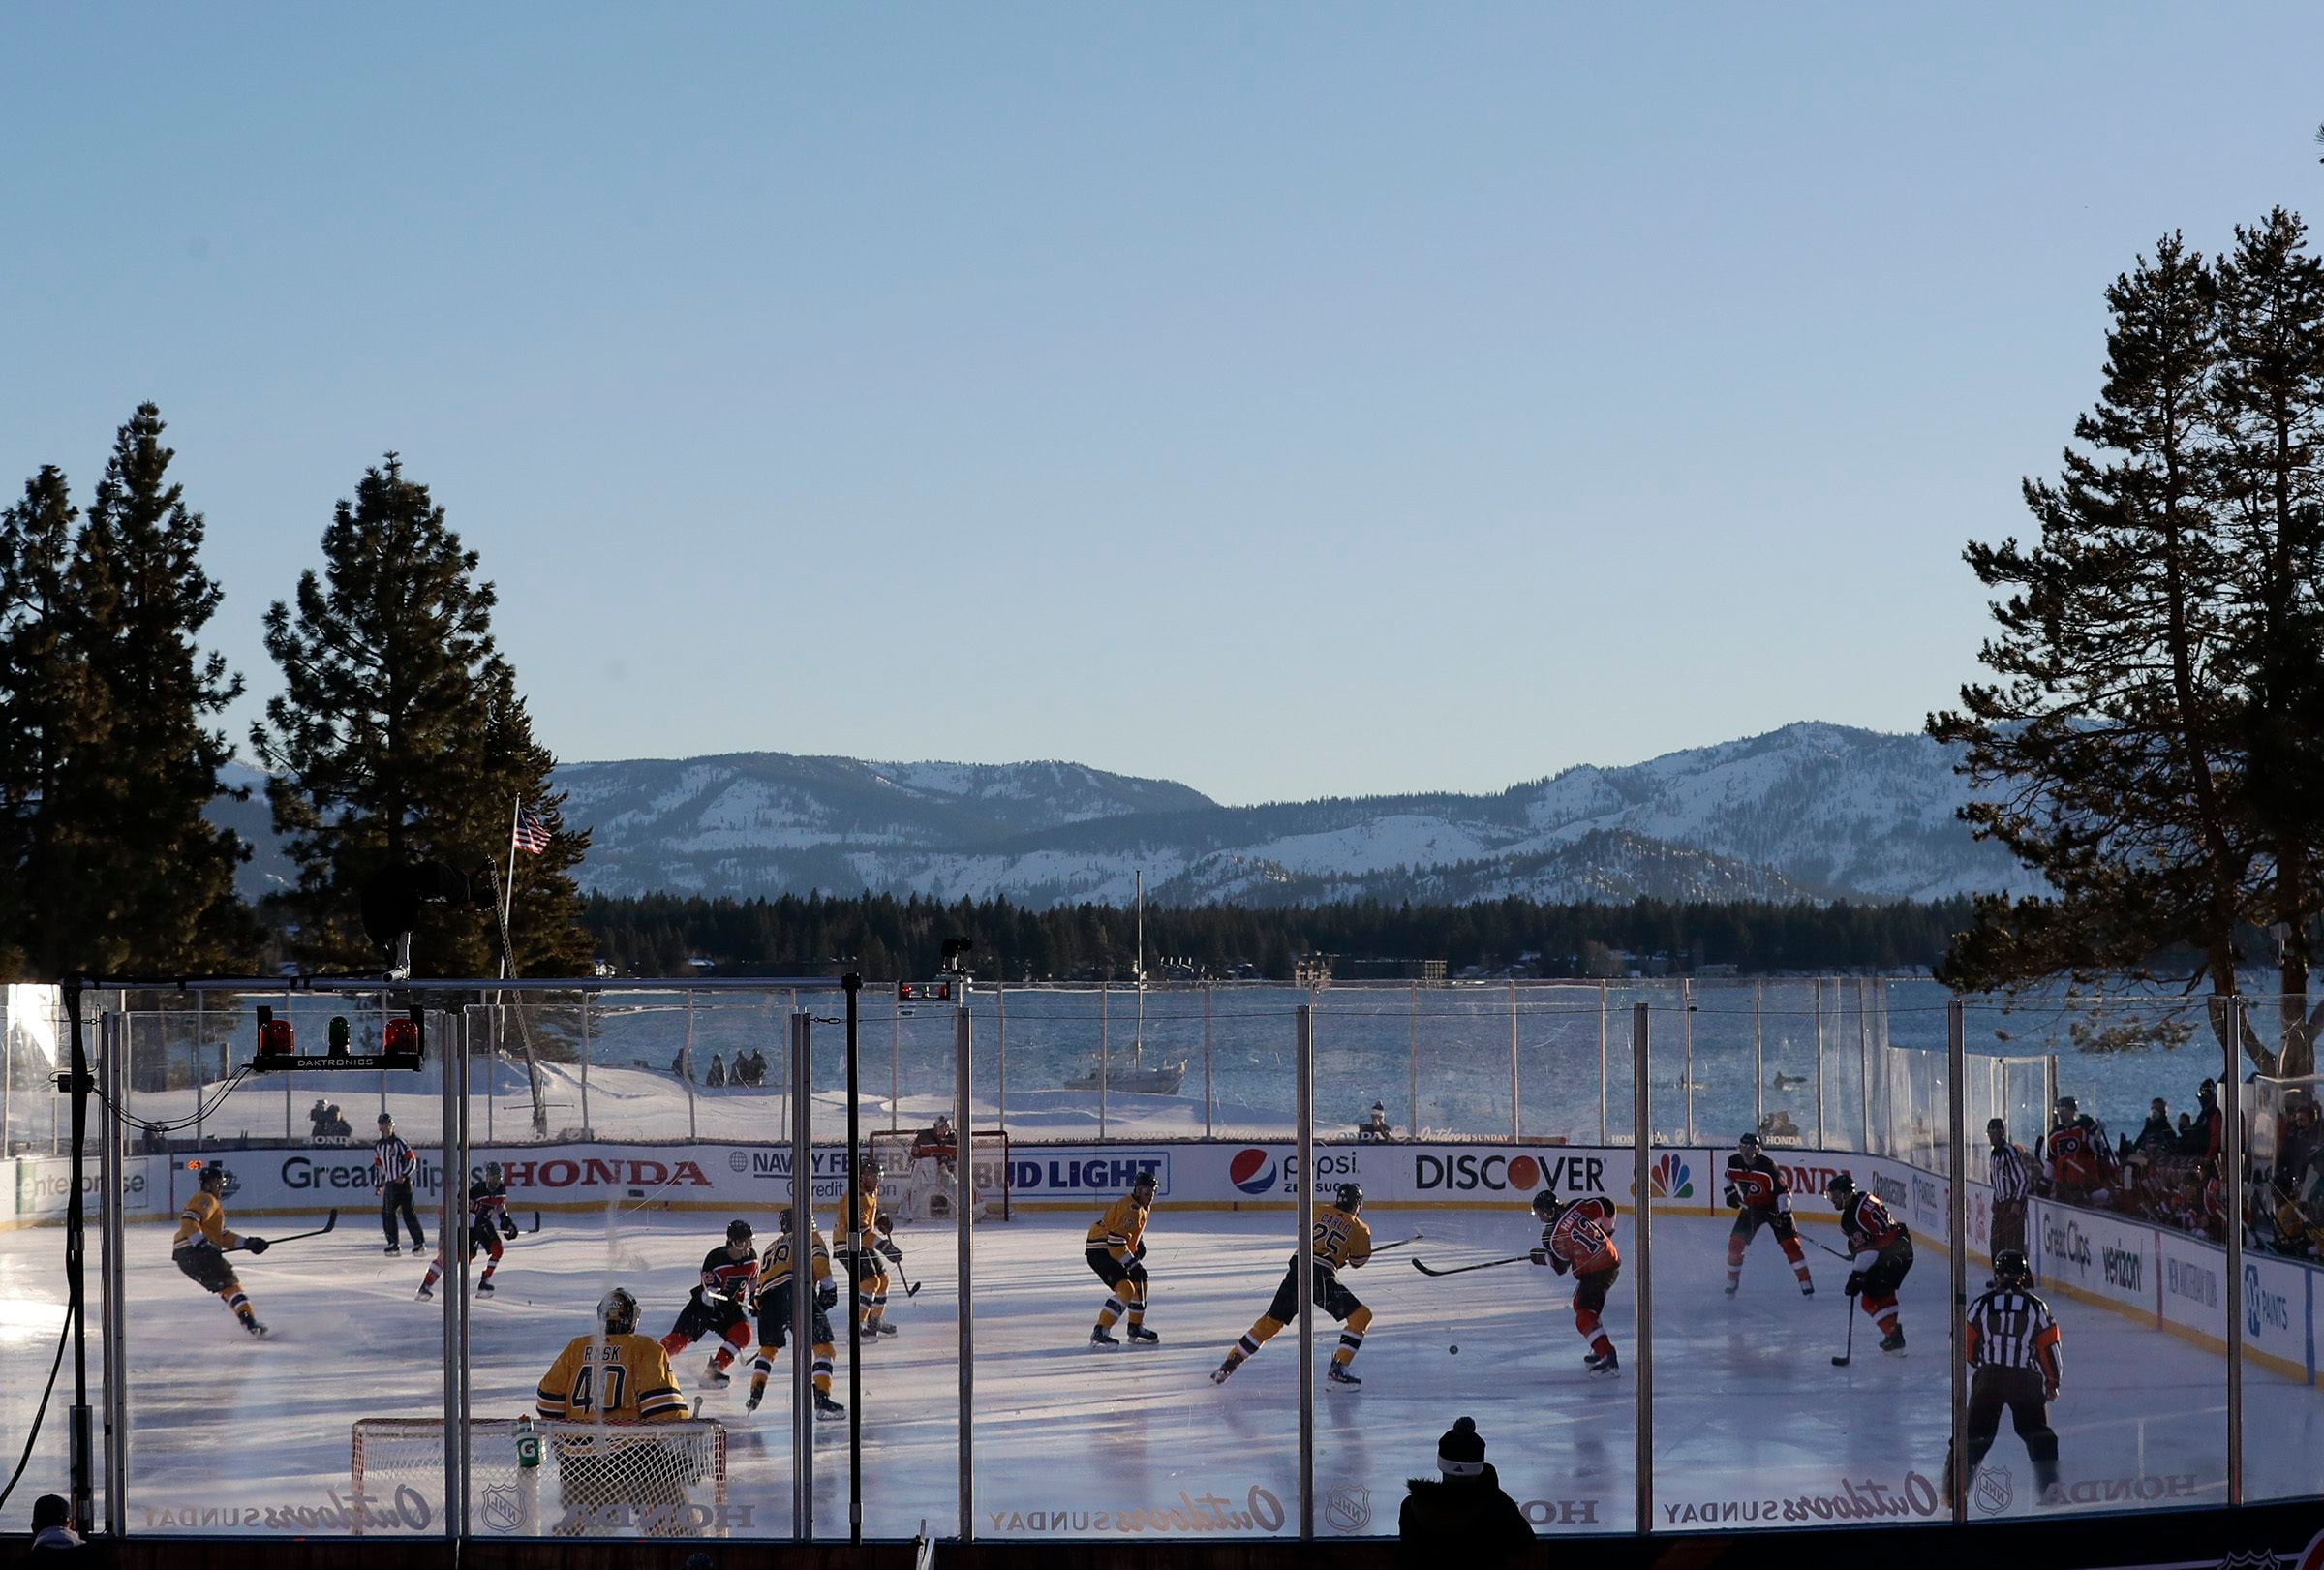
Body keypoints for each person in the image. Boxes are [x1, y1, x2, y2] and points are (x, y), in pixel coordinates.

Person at [536, 1288, 696, 1537]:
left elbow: (549, 1404)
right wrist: (684, 1445)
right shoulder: (645, 1348)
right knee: (678, 1531)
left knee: (590, 1541)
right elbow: (664, 1414)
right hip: (633, 1457)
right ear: (633, 1318)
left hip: (577, 1462)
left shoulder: (577, 1348)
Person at [1212, 1181, 1374, 1387]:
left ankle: (1228, 1365)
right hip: (1321, 1276)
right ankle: (1339, 1366)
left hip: (1297, 1270)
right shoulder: (1360, 1228)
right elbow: (1358, 1262)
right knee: (1361, 1317)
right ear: (1357, 1204)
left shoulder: (1317, 1210)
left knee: (1271, 1322)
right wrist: (1341, 1257)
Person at [1942, 1247, 2063, 1508]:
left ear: (1997, 1274)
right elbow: (2049, 1347)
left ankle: (1953, 1492)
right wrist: (2052, 1382)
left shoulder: (1982, 1305)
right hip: (2027, 1380)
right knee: (2039, 1435)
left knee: (1973, 1435)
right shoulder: (2036, 1307)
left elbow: (1961, 1341)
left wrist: (1980, 1363)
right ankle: (2050, 1492)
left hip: (1990, 1379)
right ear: (2023, 1275)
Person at [746, 1206, 844, 1420]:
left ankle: (756, 1392)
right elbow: (818, 1260)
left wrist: (758, 1304)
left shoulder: (771, 1247)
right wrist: (828, 1288)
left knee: (768, 1349)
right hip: (797, 1292)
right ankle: (822, 1398)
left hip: (769, 1299)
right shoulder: (809, 1235)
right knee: (823, 1347)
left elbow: (761, 1285)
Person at [1395, 1416, 1533, 1563]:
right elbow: (1525, 1543)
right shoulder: (1497, 1505)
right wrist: (1491, 1489)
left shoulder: (1411, 1506)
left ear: (1440, 1462)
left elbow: (1409, 1554)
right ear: (1479, 1465)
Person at [173, 1161, 268, 1338]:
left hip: (186, 1258)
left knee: (227, 1287)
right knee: (231, 1285)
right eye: (218, 1183)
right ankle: (250, 1322)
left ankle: (249, 1322)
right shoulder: (206, 1199)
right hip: (194, 1252)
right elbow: (188, 1220)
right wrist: (201, 1244)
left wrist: (248, 1243)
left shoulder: (210, 1204)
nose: (221, 1187)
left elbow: (221, 1237)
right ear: (208, 1184)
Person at [658, 1220, 759, 1386]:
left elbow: (754, 1279)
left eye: (750, 1241)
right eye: (744, 1242)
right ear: (733, 1242)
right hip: (704, 1309)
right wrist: (722, 1299)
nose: (748, 1246)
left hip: (730, 1309)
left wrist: (755, 1297)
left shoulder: (752, 1259)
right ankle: (649, 1360)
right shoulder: (715, 1259)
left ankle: (713, 1371)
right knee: (677, 1341)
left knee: (743, 1333)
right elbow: (708, 1296)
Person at [1532, 1190, 1623, 1372]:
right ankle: (1599, 1346)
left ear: (1549, 1212)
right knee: (1581, 1303)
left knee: (1584, 1316)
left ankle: (1607, 1355)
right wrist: (1607, 1231)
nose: (1540, 1218)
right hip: (1610, 1259)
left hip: (1595, 1271)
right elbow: (1607, 1204)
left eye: (1541, 1213)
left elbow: (1560, 1266)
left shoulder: (1551, 1236)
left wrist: (1542, 1258)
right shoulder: (1577, 1206)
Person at [1828, 1172, 1912, 1354]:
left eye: (1835, 1195)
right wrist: (1858, 1249)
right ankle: (1893, 1335)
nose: (1832, 1200)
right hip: (1903, 1248)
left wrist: (1856, 1275)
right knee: (1885, 1292)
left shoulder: (1850, 1218)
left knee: (1868, 1299)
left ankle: (1894, 1335)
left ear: (1846, 1194)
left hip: (1892, 1255)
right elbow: (1873, 1235)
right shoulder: (1864, 1196)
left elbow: (1869, 1251)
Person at [1723, 1132, 1813, 1297]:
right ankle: (1731, 1283)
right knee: (1735, 1245)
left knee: (1791, 1246)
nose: (1745, 1152)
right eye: (1742, 1148)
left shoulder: (1768, 1167)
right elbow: (1727, 1177)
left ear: (1757, 1149)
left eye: (1748, 1148)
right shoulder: (1733, 1162)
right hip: (1751, 1209)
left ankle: (1805, 1282)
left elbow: (1784, 1193)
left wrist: (1783, 1213)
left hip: (1774, 1208)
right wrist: (1730, 1194)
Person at [417, 1161, 521, 1300]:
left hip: (477, 1226)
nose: (496, 1181)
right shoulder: (475, 1191)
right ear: (487, 1176)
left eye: (498, 1177)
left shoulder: (501, 1190)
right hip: (459, 1225)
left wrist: (508, 1224)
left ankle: (485, 1282)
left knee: (493, 1250)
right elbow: (457, 1209)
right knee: (450, 1258)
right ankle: (425, 1286)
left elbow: (500, 1209)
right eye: (494, 1177)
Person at [1086, 1169, 1160, 1347]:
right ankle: (1101, 1330)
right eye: (1146, 1193)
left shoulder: (1142, 1206)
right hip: (1101, 1250)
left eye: (1152, 1193)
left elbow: (1128, 1232)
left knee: (1141, 1281)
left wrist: (1137, 1242)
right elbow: (1115, 1243)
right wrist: (1132, 1263)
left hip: (1110, 1247)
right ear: (1137, 1190)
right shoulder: (1131, 1209)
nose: (1150, 1197)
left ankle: (1135, 1326)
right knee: (1126, 1289)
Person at [838, 1157, 903, 1338]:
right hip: (847, 1245)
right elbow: (859, 1230)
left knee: (883, 1279)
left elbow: (870, 1215)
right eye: (869, 1175)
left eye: (876, 1175)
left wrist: (881, 1218)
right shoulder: (855, 1197)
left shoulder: (870, 1193)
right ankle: (856, 1326)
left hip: (862, 1243)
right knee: (869, 1283)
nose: (873, 1179)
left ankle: (875, 1320)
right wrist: (885, 1246)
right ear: (861, 1177)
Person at [2042, 1097, 2115, 1208]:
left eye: (2063, 1109)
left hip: (2087, 1183)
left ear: (2072, 1111)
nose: (2060, 1113)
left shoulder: (2083, 1129)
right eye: (2058, 1110)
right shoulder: (2055, 1134)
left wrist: (2097, 1134)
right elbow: (2052, 1161)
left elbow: (2097, 1150)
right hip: (2063, 1186)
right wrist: (2045, 1183)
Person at [372, 1113, 425, 1254]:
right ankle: (393, 1244)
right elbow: (378, 1166)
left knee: (408, 1213)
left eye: (388, 1124)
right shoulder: (379, 1146)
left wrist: (404, 1175)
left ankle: (419, 1243)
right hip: (390, 1184)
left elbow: (412, 1160)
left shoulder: (399, 1142)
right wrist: (378, 1185)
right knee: (387, 1213)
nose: (386, 1127)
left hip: (403, 1183)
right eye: (383, 1124)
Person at [1988, 1117, 2035, 1256]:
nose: (1991, 1136)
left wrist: (2017, 1202)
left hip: (2011, 1206)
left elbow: (2023, 1179)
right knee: (1996, 1246)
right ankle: (1999, 1276)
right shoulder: (1994, 1154)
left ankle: (2015, 1276)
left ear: (2001, 1133)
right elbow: (1996, 1182)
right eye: (1989, 1132)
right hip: (2001, 1206)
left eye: (1994, 1132)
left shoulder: (2008, 1152)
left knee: (2012, 1247)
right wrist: (1995, 1200)